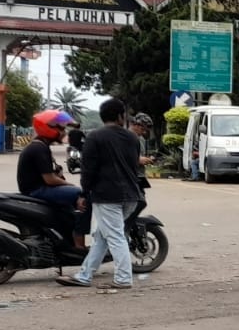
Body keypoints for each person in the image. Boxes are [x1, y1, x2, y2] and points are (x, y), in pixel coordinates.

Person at [57, 99, 144, 290]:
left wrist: (83, 194)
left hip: (107, 196)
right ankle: (84, 275)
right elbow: (134, 165)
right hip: (131, 196)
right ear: (120, 116)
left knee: (114, 236)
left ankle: (123, 278)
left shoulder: (95, 137)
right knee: (102, 236)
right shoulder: (132, 138)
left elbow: (88, 170)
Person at [17, 109, 87, 250]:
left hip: (37, 188)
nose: (64, 132)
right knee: (81, 195)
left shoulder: (40, 146)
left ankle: (66, 241)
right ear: (48, 128)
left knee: (70, 209)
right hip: (37, 190)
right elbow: (50, 180)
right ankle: (79, 246)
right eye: (61, 128)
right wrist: (71, 185)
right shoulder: (39, 148)